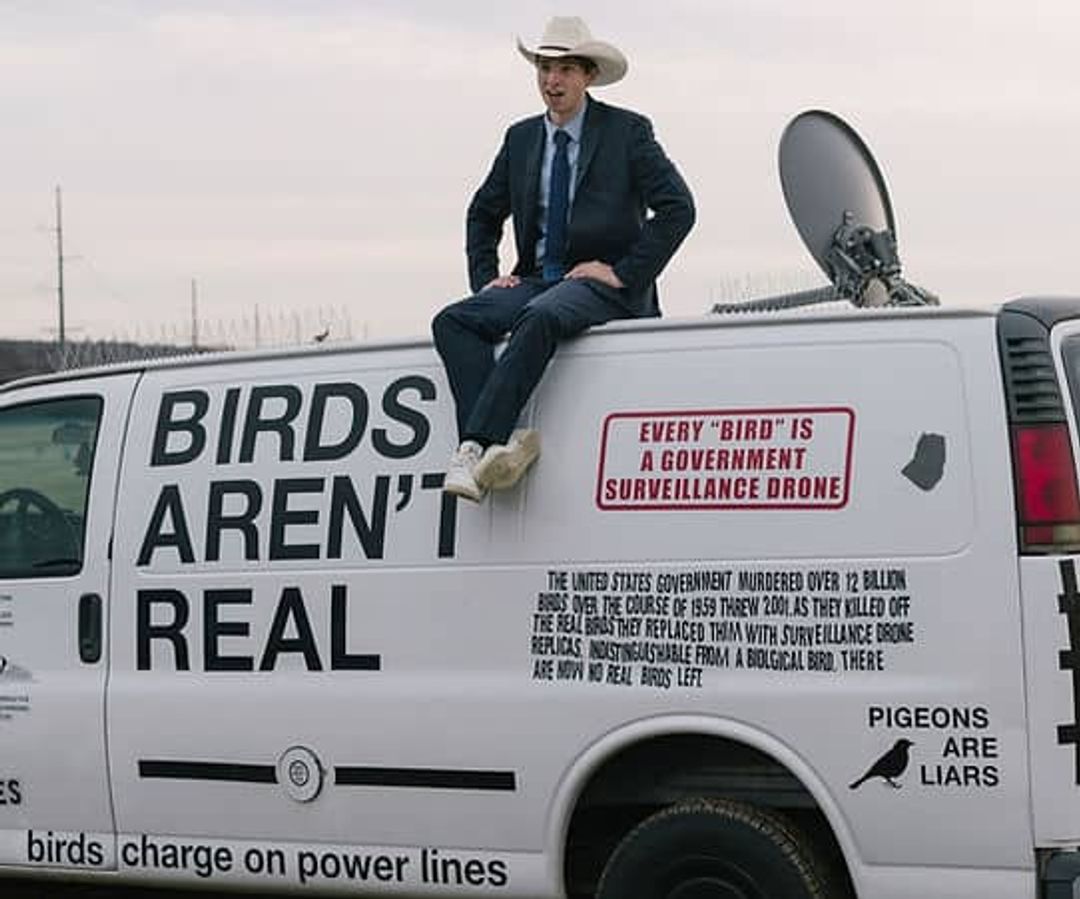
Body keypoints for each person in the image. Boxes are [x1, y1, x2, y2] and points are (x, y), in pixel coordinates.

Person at [432, 16, 695, 502]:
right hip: (536, 280)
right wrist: (487, 278)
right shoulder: (520, 138)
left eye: (566, 69)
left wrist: (622, 272)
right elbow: (483, 213)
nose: (552, 80)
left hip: (602, 286)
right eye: (545, 68)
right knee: (453, 321)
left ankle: (474, 445)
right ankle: (503, 443)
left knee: (540, 316)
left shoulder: (628, 132)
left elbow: (679, 209)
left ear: (588, 75)